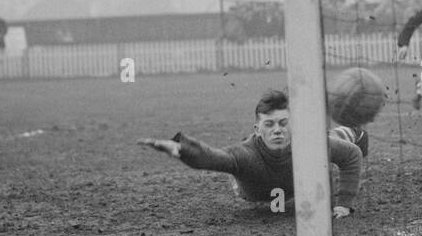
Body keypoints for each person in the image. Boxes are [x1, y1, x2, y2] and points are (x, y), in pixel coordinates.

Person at [137, 88, 361, 217]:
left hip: (296, 175)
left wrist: (344, 203)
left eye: (284, 123)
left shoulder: (308, 143)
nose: (277, 130)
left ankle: (354, 131)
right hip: (253, 194)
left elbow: (352, 156)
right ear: (257, 129)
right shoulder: (246, 155)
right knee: (327, 139)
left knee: (335, 140)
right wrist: (179, 149)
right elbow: (210, 157)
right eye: (269, 125)